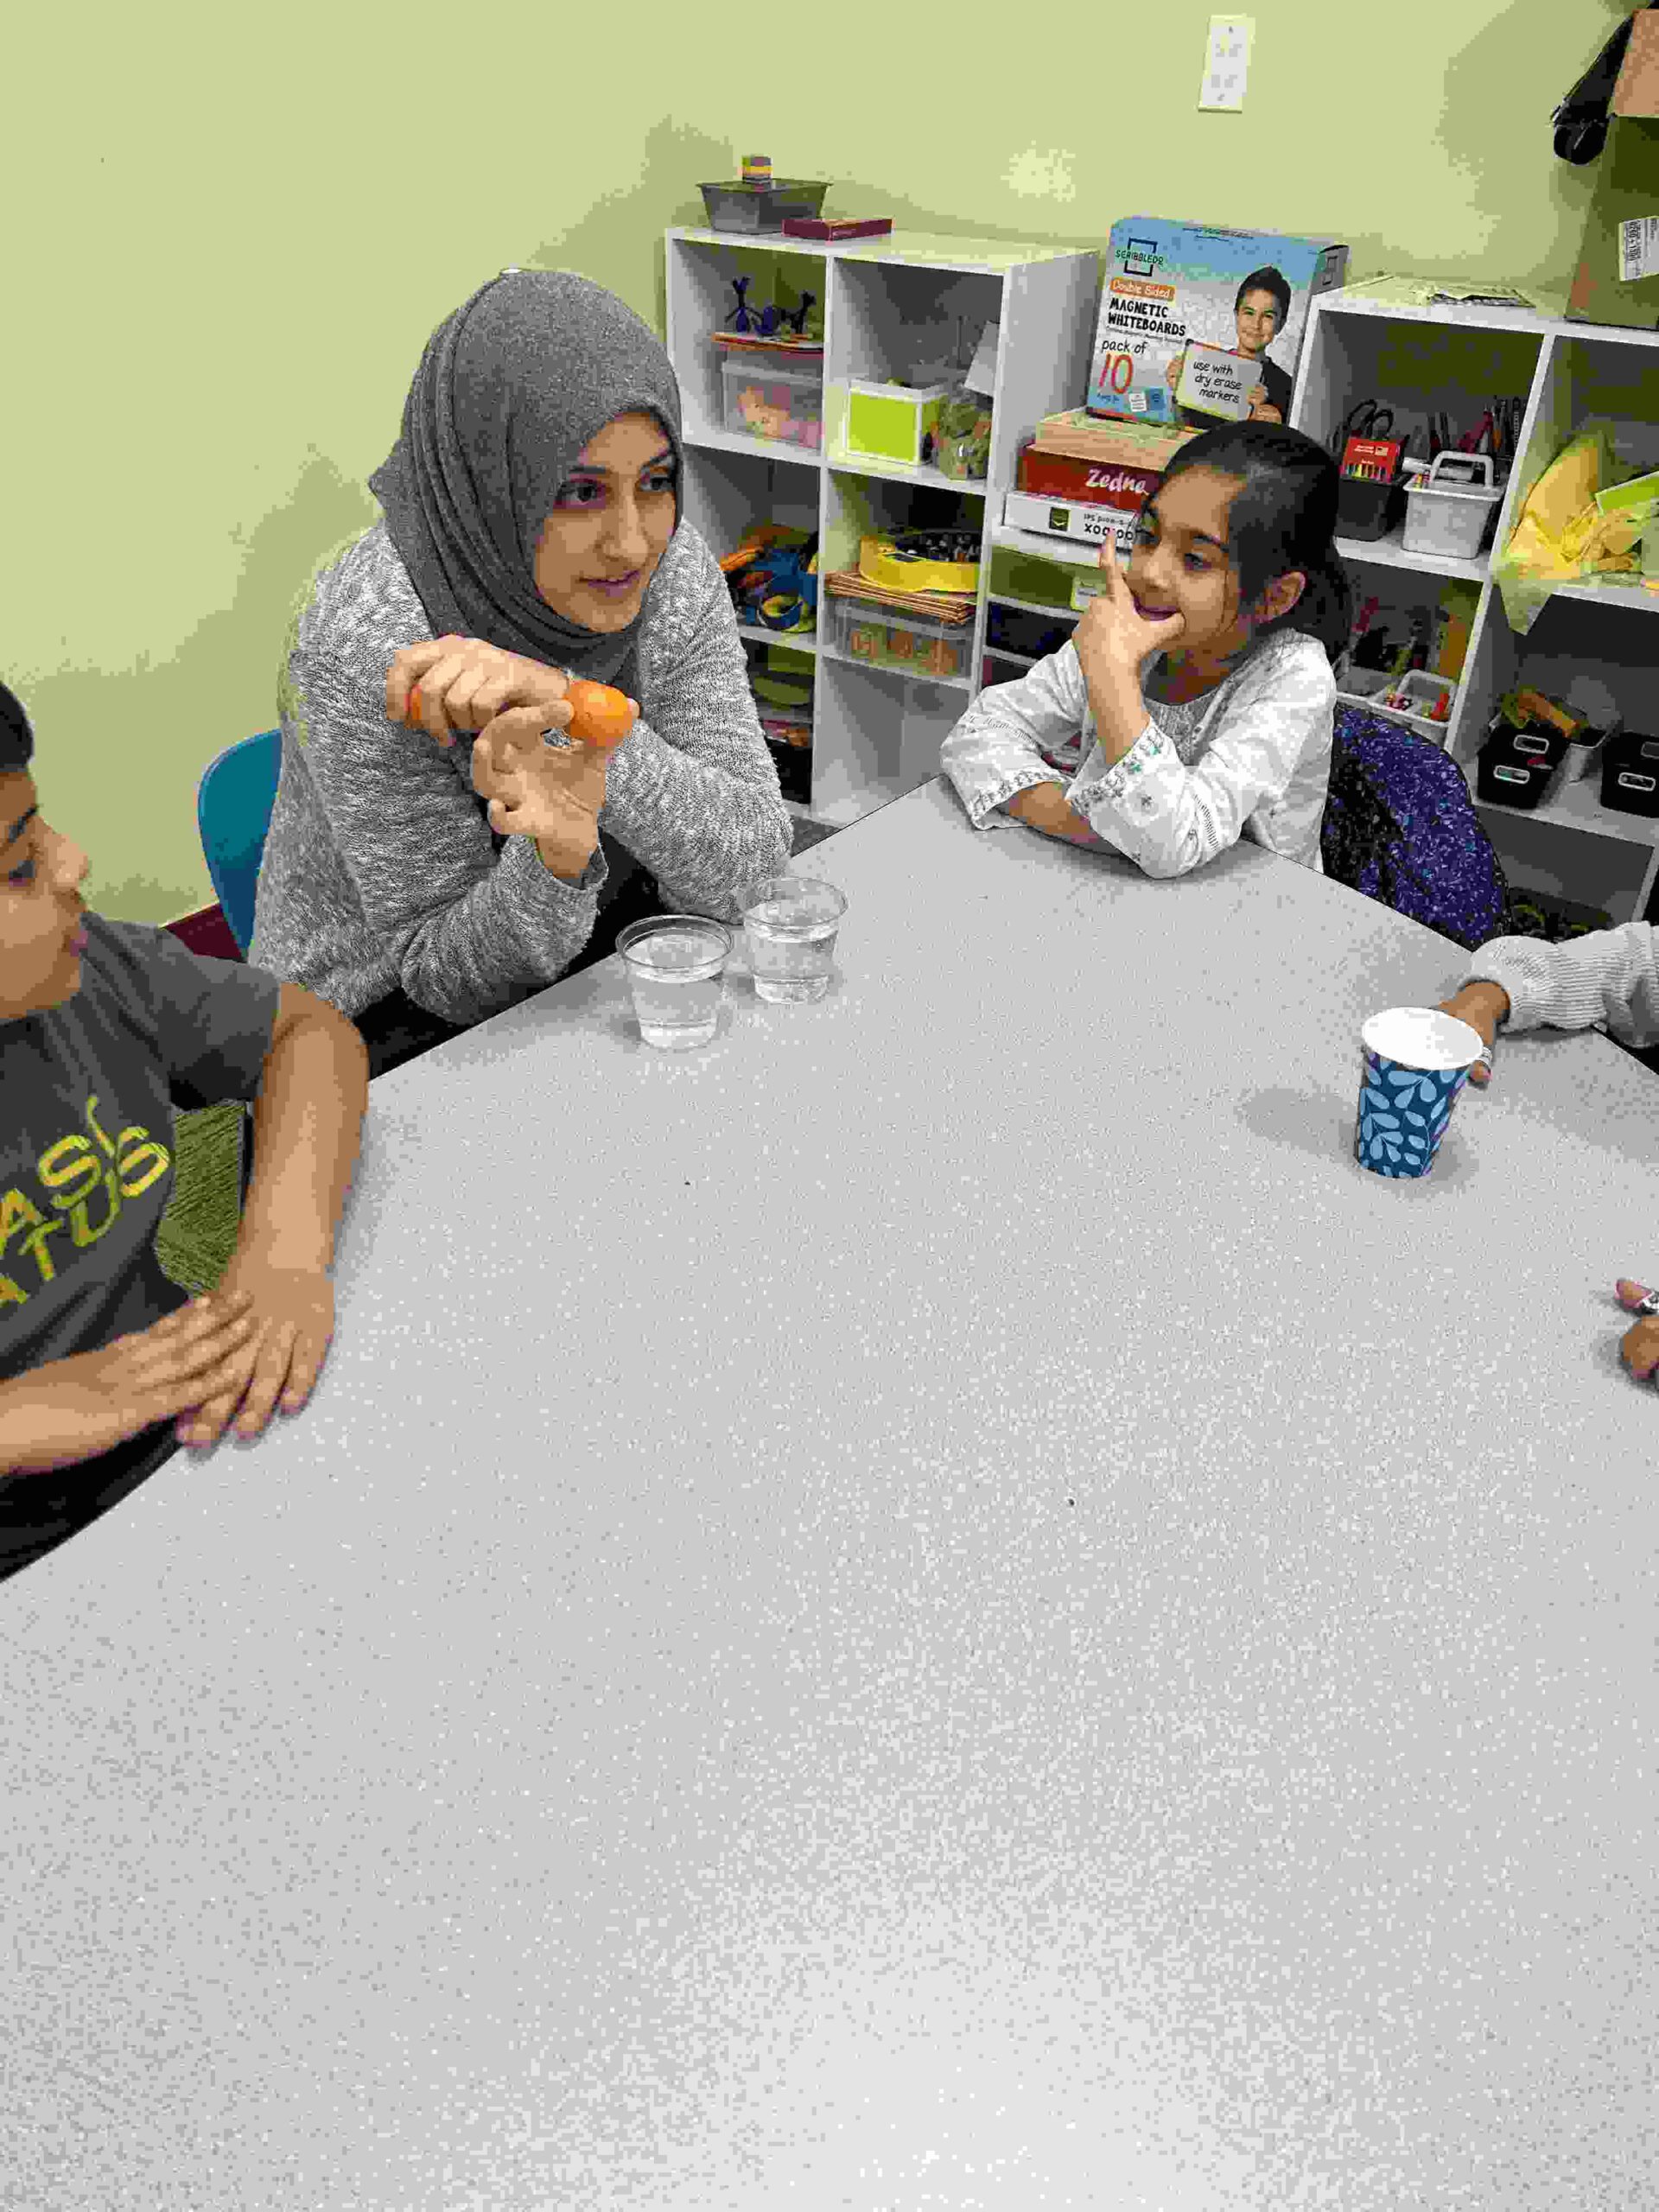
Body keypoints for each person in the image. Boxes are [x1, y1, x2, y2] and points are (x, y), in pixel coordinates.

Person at [249, 268, 793, 1078]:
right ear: (493, 478)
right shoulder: (368, 636)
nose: (631, 543)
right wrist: (556, 857)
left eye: (656, 482)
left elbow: (753, 868)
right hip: (369, 1024)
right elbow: (445, 979)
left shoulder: (670, 571)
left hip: (600, 944)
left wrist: (585, 721)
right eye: (578, 492)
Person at [0, 682, 370, 1581]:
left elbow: (306, 1034)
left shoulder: (93, 973)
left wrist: (282, 1250)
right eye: (16, 868)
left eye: (38, 829)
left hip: (190, 1437)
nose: (74, 861)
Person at [942, 422, 1346, 878]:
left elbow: (1175, 841)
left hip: (1256, 906)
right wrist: (1088, 827)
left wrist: (1112, 678)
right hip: (1110, 885)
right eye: (1149, 537)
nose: (1149, 573)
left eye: (1195, 560)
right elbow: (977, 735)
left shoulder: (1295, 677)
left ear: (1275, 597)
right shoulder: (1131, 628)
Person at [1164, 266, 1295, 426]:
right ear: (1236, 315)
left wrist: (1270, 424)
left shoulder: (1289, 389)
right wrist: (1179, 391)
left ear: (1280, 324)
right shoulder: (1204, 368)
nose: (1256, 324)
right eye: (1249, 313)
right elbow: (1188, 427)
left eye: (1268, 316)